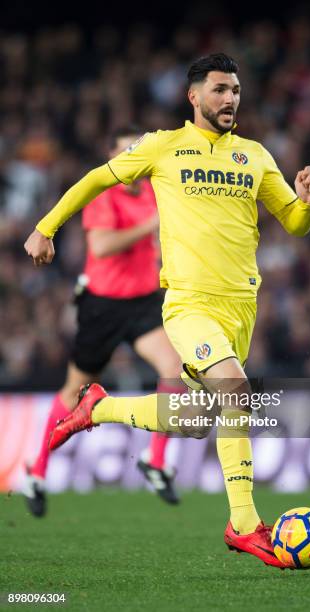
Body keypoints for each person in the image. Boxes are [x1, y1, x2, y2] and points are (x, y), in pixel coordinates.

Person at [24, 53, 310, 568]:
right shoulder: (164, 146)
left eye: (235, 90)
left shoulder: (253, 155)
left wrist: (307, 202)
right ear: (194, 97)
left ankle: (99, 408)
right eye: (219, 89)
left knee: (196, 417)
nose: (230, 98)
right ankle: (245, 525)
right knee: (236, 390)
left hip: (239, 308)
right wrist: (46, 227)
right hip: (188, 305)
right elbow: (96, 180)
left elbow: (294, 224)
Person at [23, 126, 184, 517]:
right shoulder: (103, 195)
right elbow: (101, 246)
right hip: (104, 306)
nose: (133, 157)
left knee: (175, 369)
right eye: (126, 150)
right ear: (113, 158)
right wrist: (149, 228)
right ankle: (37, 472)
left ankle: (156, 462)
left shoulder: (150, 190)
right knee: (74, 389)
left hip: (143, 303)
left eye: (137, 149)